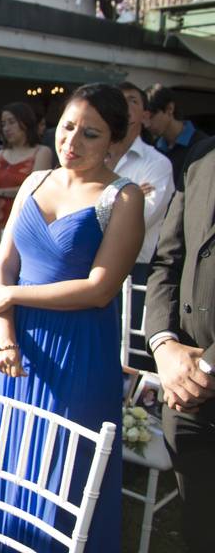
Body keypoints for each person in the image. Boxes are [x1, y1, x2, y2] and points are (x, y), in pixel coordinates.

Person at [0, 84, 144, 552]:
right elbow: (4, 267)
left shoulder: (123, 198)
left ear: (115, 140)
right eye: (67, 127)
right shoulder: (34, 180)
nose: (72, 142)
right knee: (13, 459)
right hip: (21, 350)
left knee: (65, 473)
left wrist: (12, 294)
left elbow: (99, 289)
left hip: (78, 355)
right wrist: (5, 337)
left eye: (90, 134)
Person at [145, 135, 215, 553]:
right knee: (201, 530)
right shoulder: (202, 154)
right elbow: (168, 260)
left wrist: (207, 369)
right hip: (188, 400)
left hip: (197, 380)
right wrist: (164, 345)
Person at [109, 82, 174, 337]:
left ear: (145, 115)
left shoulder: (158, 164)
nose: (124, 105)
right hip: (86, 262)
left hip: (134, 269)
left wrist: (99, 201)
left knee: (126, 351)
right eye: (119, 98)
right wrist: (127, 195)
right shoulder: (92, 156)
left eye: (133, 100)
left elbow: (138, 221)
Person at [0, 102, 53, 263]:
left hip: (20, 226)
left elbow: (35, 189)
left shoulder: (42, 152)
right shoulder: (0, 155)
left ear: (25, 122)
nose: (6, 128)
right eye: (3, 124)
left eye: (11, 122)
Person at [146, 84, 207, 190]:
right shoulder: (153, 148)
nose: (147, 124)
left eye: (151, 117)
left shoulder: (202, 145)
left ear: (170, 108)